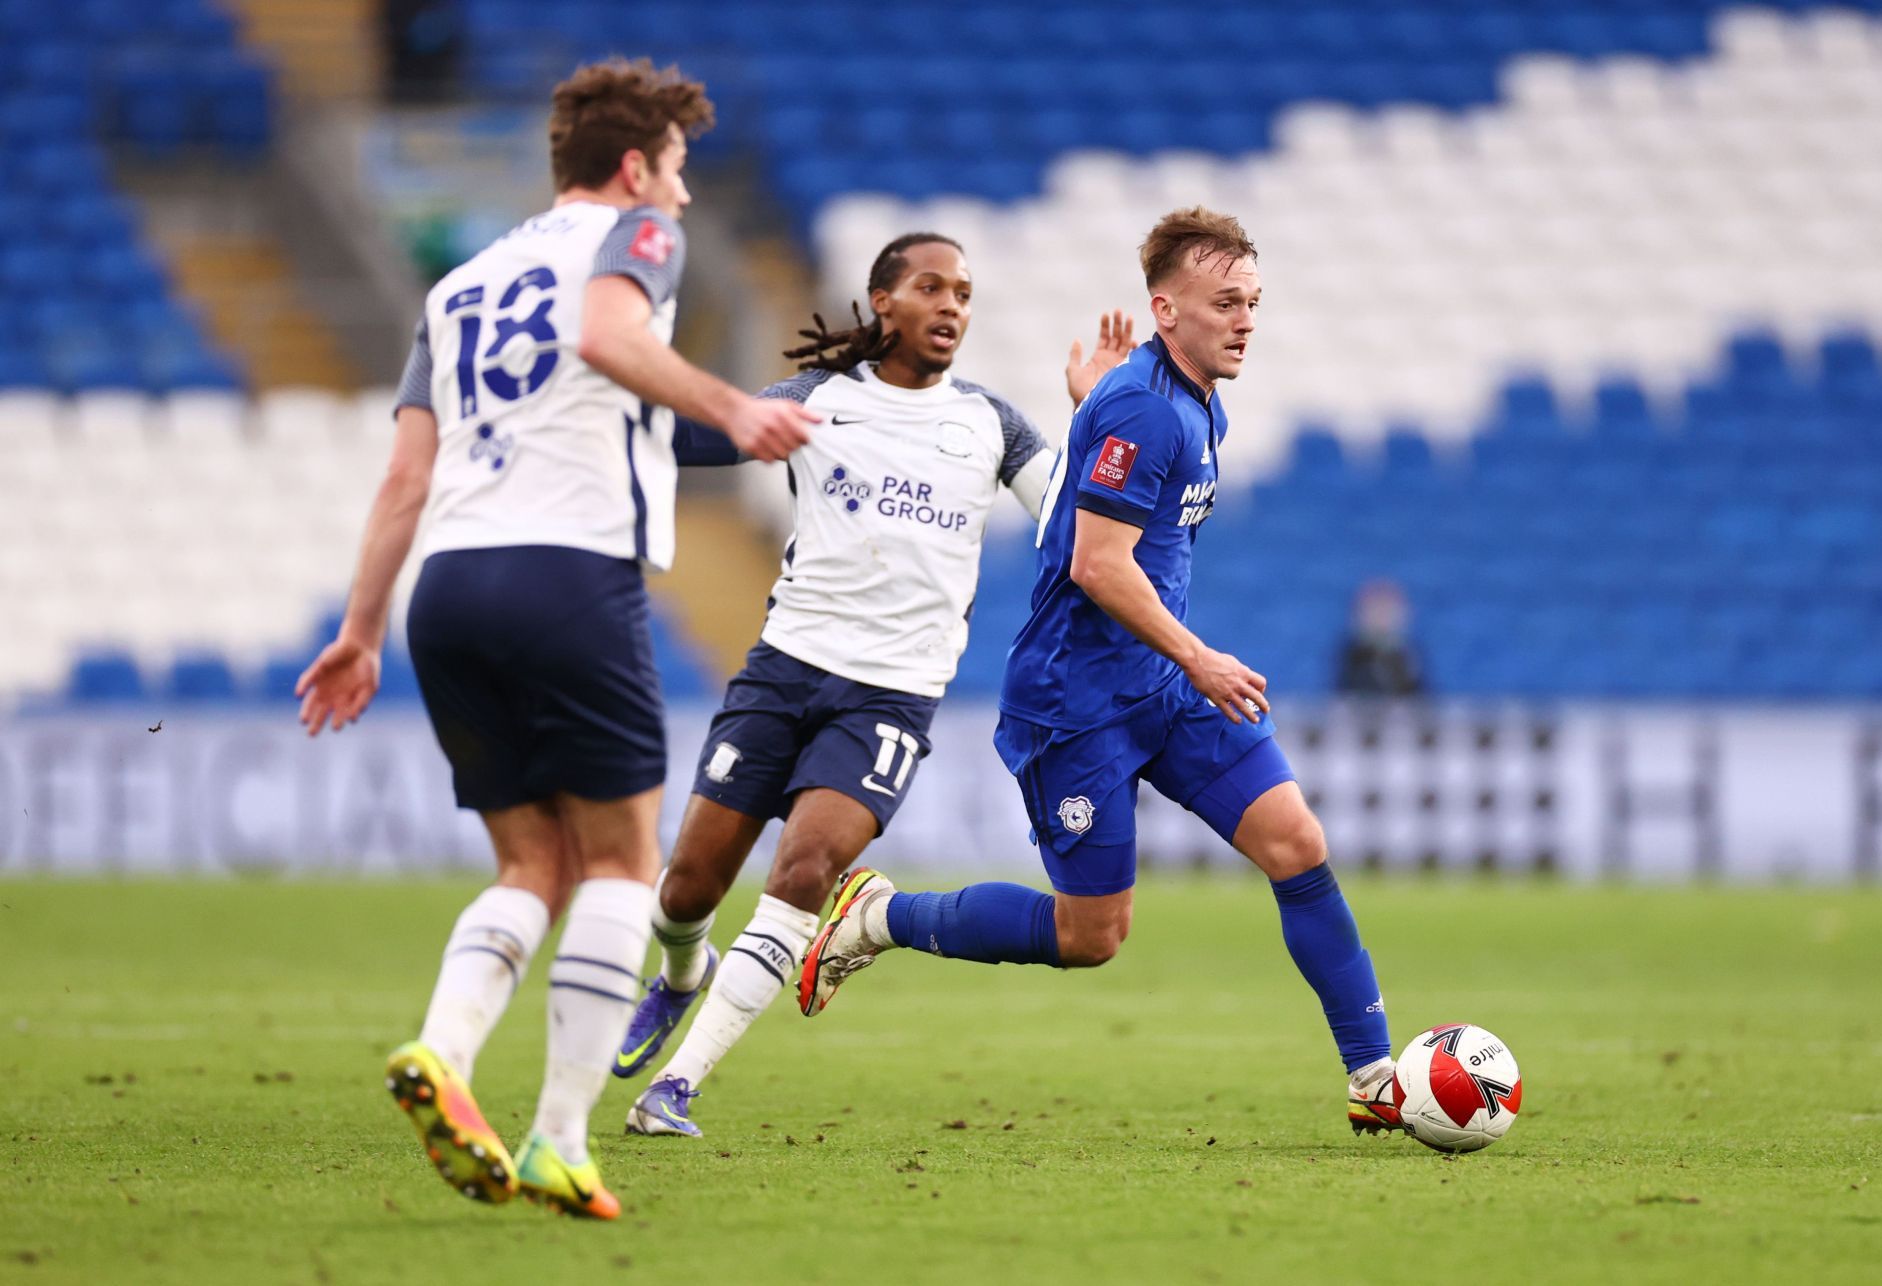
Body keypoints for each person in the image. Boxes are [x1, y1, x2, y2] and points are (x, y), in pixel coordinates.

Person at [293, 58, 814, 1220]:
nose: (680, 199)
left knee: (532, 865)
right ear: (635, 167)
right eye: (676, 172)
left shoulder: (461, 282)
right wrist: (734, 406)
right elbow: (605, 330)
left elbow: (404, 476)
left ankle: (442, 1051)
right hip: (569, 575)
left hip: (451, 590)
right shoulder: (635, 240)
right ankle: (559, 1138)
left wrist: (359, 630)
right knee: (624, 865)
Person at [796, 208, 1405, 1136]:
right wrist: (1200, 656)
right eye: (1224, 303)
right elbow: (1097, 562)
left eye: (1253, 302)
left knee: (1298, 844)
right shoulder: (1143, 406)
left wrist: (1088, 415)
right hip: (1077, 704)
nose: (1245, 321)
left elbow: (1122, 500)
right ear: (1165, 310)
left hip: (1158, 686)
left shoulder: (1191, 401)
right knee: (1092, 938)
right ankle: (880, 916)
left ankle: (1376, 1077)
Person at [610, 231, 1135, 1138]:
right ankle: (679, 971)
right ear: (883, 302)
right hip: (784, 673)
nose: (952, 307)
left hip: (891, 697)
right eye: (932, 287)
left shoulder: (992, 426)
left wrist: (1097, 421)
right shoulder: (819, 400)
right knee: (689, 887)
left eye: (965, 293)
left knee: (808, 870)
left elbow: (1082, 527)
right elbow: (707, 436)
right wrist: (619, 398)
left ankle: (676, 1089)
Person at [1335, 579, 1425, 696]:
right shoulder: (1351, 654)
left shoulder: (1409, 653)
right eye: (1376, 610)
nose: (1381, 617)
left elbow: (1420, 697)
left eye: (1386, 610)